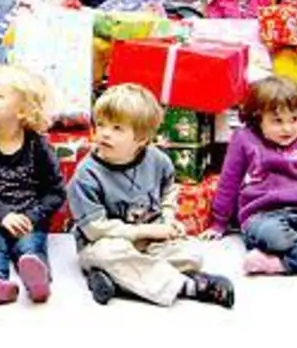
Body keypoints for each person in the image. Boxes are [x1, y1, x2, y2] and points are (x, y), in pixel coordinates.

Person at [70, 83, 235, 308]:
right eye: (100, 125)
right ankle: (187, 286)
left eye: (117, 128)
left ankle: (117, 280)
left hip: (151, 238)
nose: (104, 133)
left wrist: (168, 220)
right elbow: (94, 228)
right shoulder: (86, 175)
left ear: (142, 139)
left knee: (192, 255)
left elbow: (168, 190)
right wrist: (147, 231)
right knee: (108, 254)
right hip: (103, 241)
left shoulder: (158, 160)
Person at [205, 76, 297, 276]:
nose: (287, 128)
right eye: (277, 121)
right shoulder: (244, 139)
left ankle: (281, 263)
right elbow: (229, 181)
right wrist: (219, 222)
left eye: (294, 119)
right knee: (275, 237)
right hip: (261, 219)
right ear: (257, 118)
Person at [0, 65, 66, 308]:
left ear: (21, 111)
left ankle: (38, 282)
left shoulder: (38, 146)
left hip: (28, 218)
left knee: (30, 247)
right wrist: (2, 214)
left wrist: (30, 217)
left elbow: (56, 191)